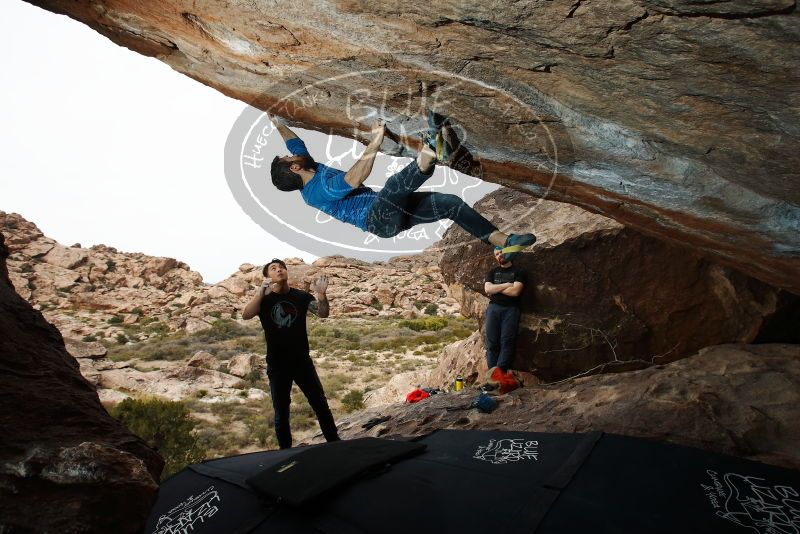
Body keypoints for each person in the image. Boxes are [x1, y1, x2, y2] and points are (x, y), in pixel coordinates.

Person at [269, 114, 536, 262]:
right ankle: (431, 149)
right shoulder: (316, 193)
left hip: (392, 213)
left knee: (449, 203)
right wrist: (375, 141)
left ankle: (504, 243)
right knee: (393, 187)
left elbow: (295, 144)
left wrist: (278, 124)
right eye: (288, 158)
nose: (291, 155)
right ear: (294, 168)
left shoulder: (309, 166)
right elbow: (352, 180)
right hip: (377, 220)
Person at [241, 258, 340, 449]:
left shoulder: (301, 297)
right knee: (281, 412)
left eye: (282, 268)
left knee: (320, 405)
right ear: (268, 276)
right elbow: (246, 315)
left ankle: (335, 445)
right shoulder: (264, 300)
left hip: (302, 362)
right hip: (277, 365)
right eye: (273, 268)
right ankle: (285, 453)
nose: (279, 270)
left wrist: (321, 295)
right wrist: (261, 292)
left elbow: (323, 314)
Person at [483, 246, 527, 392]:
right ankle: (492, 377)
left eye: (501, 252)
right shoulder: (493, 272)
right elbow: (488, 290)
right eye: (496, 254)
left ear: (508, 252)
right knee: (492, 344)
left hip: (511, 310)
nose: (499, 256)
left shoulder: (519, 272)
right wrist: (507, 284)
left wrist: (498, 287)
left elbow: (516, 292)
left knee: (506, 342)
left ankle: (500, 376)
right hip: (493, 308)